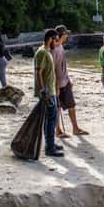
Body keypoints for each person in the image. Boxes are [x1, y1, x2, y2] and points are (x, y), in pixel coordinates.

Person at [52, 25, 89, 137]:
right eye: (66, 34)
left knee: (71, 105)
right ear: (61, 35)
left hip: (65, 80)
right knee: (58, 107)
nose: (67, 36)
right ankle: (58, 130)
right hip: (58, 83)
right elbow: (52, 69)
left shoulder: (61, 47)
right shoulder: (54, 49)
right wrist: (56, 86)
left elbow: (63, 66)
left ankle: (75, 128)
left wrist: (68, 79)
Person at [34, 29, 64, 157]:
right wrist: (43, 91)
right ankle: (49, 148)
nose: (56, 42)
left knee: (51, 119)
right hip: (47, 92)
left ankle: (50, 144)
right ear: (50, 38)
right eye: (56, 39)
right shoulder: (42, 52)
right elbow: (38, 72)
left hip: (51, 90)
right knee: (50, 120)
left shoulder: (46, 51)